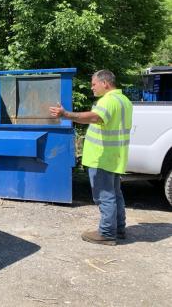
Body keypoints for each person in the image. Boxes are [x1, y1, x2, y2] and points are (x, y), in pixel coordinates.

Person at [49, 70, 133, 246]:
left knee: (105, 196)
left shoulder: (108, 101)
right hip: (115, 156)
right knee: (115, 194)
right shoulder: (124, 100)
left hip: (102, 157)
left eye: (94, 84)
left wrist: (66, 114)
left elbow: (95, 117)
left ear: (105, 83)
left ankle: (107, 233)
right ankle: (119, 228)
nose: (92, 87)